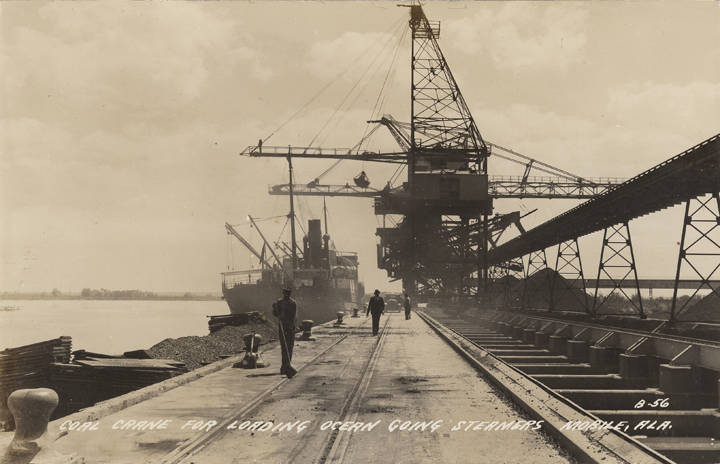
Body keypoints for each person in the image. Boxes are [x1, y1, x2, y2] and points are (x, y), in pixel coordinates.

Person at [272, 287, 297, 378]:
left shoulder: (292, 303)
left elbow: (293, 316)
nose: (286, 295)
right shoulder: (280, 302)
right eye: (285, 294)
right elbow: (275, 314)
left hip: (289, 327)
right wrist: (275, 309)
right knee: (285, 347)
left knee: (288, 347)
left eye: (287, 294)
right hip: (283, 326)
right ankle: (284, 366)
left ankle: (287, 366)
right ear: (284, 294)